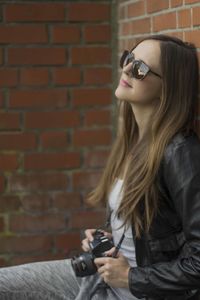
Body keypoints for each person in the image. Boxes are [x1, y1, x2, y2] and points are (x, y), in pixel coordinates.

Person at [0, 34, 200, 300]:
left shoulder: (181, 153)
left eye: (140, 69)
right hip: (103, 277)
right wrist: (108, 237)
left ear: (168, 88)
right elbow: (150, 234)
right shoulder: (133, 140)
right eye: (129, 58)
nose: (127, 69)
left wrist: (130, 277)